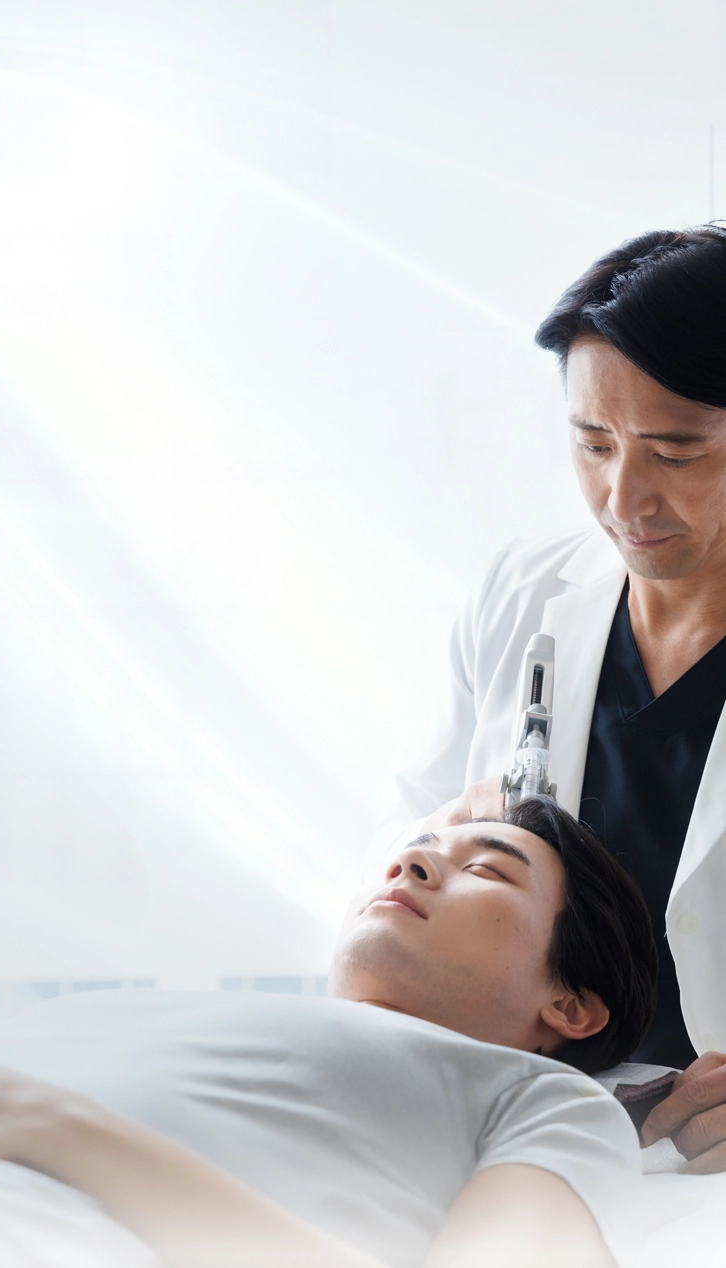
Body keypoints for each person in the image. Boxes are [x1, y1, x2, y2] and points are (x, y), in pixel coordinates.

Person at [373, 223, 726, 1169]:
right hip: (530, 1128)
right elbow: (409, 843)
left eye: (676, 453)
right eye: (593, 442)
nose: (624, 498)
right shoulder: (522, 597)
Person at [0, 798, 655, 1267]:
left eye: (485, 869)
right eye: (408, 853)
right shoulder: (104, 1011)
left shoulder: (550, 1101)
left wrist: (61, 1129)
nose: (406, 866)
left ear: (570, 1005)